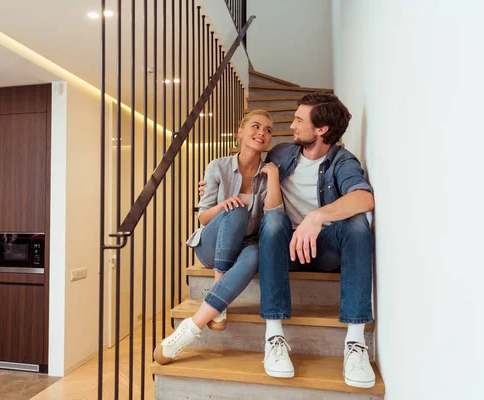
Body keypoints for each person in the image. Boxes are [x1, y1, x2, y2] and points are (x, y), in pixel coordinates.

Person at [199, 93, 376, 387]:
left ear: (321, 130)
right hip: (284, 248)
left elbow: (364, 197)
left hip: (324, 250)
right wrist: (212, 185)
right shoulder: (282, 153)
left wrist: (316, 216)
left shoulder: (342, 162)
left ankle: (355, 343)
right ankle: (274, 335)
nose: (291, 126)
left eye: (298, 120)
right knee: (274, 219)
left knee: (358, 225)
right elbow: (248, 166)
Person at [154, 110, 279, 365]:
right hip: (212, 246)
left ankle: (190, 328)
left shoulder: (269, 174)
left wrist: (274, 178)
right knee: (235, 210)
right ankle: (219, 283)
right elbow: (202, 217)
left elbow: (274, 215)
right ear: (239, 133)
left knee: (256, 253)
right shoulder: (218, 166)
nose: (262, 133)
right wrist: (224, 205)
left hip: (246, 246)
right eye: (255, 126)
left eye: (268, 131)